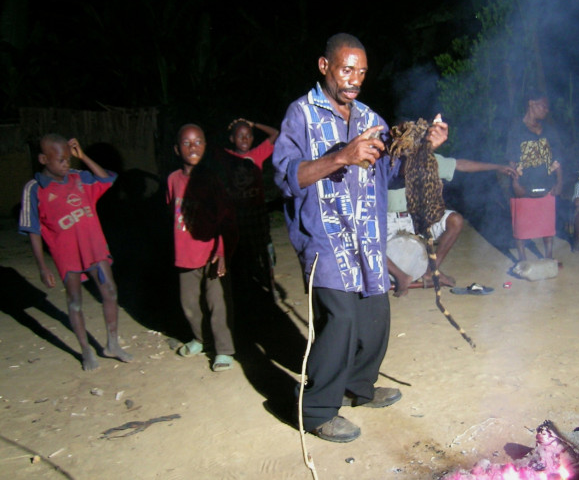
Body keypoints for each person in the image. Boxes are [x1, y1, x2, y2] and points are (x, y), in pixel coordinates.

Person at [273, 33, 447, 443]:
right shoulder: (301, 114)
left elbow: (388, 176)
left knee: (375, 319)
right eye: (346, 69)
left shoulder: (372, 119)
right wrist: (341, 156)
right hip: (324, 236)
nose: (354, 79)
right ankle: (316, 411)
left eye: (362, 72)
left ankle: (358, 388)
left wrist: (423, 149)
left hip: (366, 237)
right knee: (342, 320)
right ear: (325, 66)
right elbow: (285, 175)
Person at [18, 134, 133, 370]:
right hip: (67, 255)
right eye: (61, 160)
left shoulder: (79, 177)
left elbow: (108, 179)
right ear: (43, 159)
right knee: (75, 302)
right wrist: (42, 266)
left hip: (94, 248)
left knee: (110, 291)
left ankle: (112, 344)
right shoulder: (34, 189)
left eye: (69, 159)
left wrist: (83, 157)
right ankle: (85, 351)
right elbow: (34, 231)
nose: (66, 164)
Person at [387, 155, 514, 297]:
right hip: (386, 218)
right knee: (363, 237)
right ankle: (401, 277)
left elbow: (460, 164)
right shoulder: (385, 161)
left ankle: (431, 271)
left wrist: (497, 166)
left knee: (455, 220)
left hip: (417, 216)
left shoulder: (426, 157)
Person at [167, 124, 236, 372]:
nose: (192, 147)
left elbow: (225, 218)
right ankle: (201, 339)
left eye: (198, 142)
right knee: (190, 303)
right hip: (185, 255)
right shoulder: (172, 180)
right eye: (186, 143)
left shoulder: (212, 180)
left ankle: (224, 350)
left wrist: (221, 253)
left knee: (217, 303)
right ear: (177, 149)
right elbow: (172, 212)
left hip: (211, 254)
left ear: (205, 147)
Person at [219, 118, 279, 301]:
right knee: (242, 254)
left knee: (265, 252)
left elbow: (275, 134)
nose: (244, 139)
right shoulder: (227, 156)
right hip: (237, 214)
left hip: (257, 212)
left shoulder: (257, 154)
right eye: (239, 136)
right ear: (231, 139)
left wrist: (254, 124)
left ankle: (270, 286)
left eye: (248, 135)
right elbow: (209, 143)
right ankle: (246, 291)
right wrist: (226, 127)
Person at [505, 94, 563, 261]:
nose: (546, 110)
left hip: (546, 182)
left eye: (547, 107)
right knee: (522, 225)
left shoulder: (549, 130)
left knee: (547, 225)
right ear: (531, 103)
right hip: (524, 183)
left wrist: (559, 181)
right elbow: (512, 159)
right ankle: (523, 260)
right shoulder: (516, 129)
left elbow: (557, 158)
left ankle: (549, 257)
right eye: (543, 106)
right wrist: (515, 182)